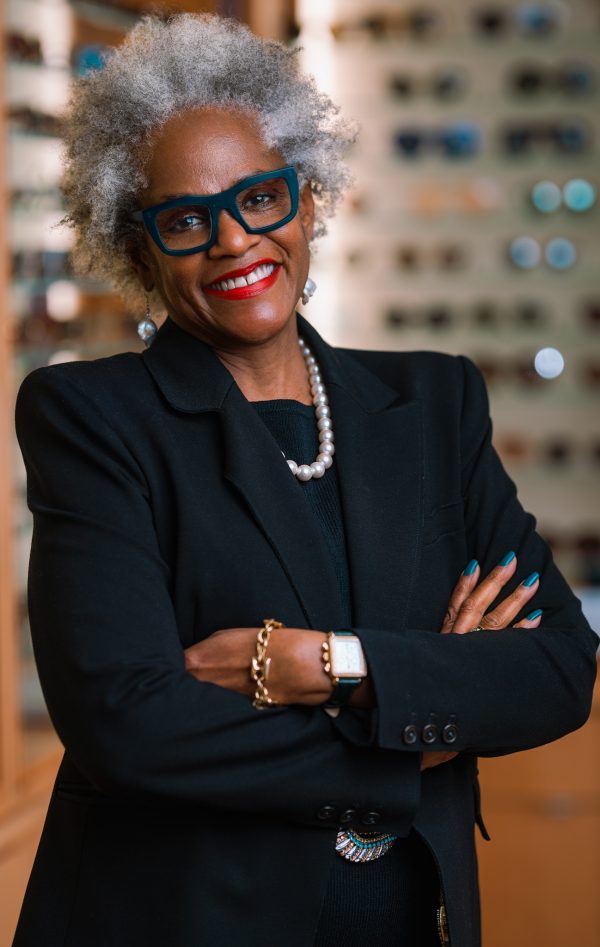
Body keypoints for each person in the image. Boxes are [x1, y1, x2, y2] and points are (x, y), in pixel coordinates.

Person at [12, 14, 596, 947]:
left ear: (309, 198)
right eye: (186, 219)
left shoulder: (434, 402)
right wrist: (417, 731)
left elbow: (557, 666)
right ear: (141, 247)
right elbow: (131, 724)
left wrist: (327, 665)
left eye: (261, 196)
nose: (234, 240)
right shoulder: (94, 418)